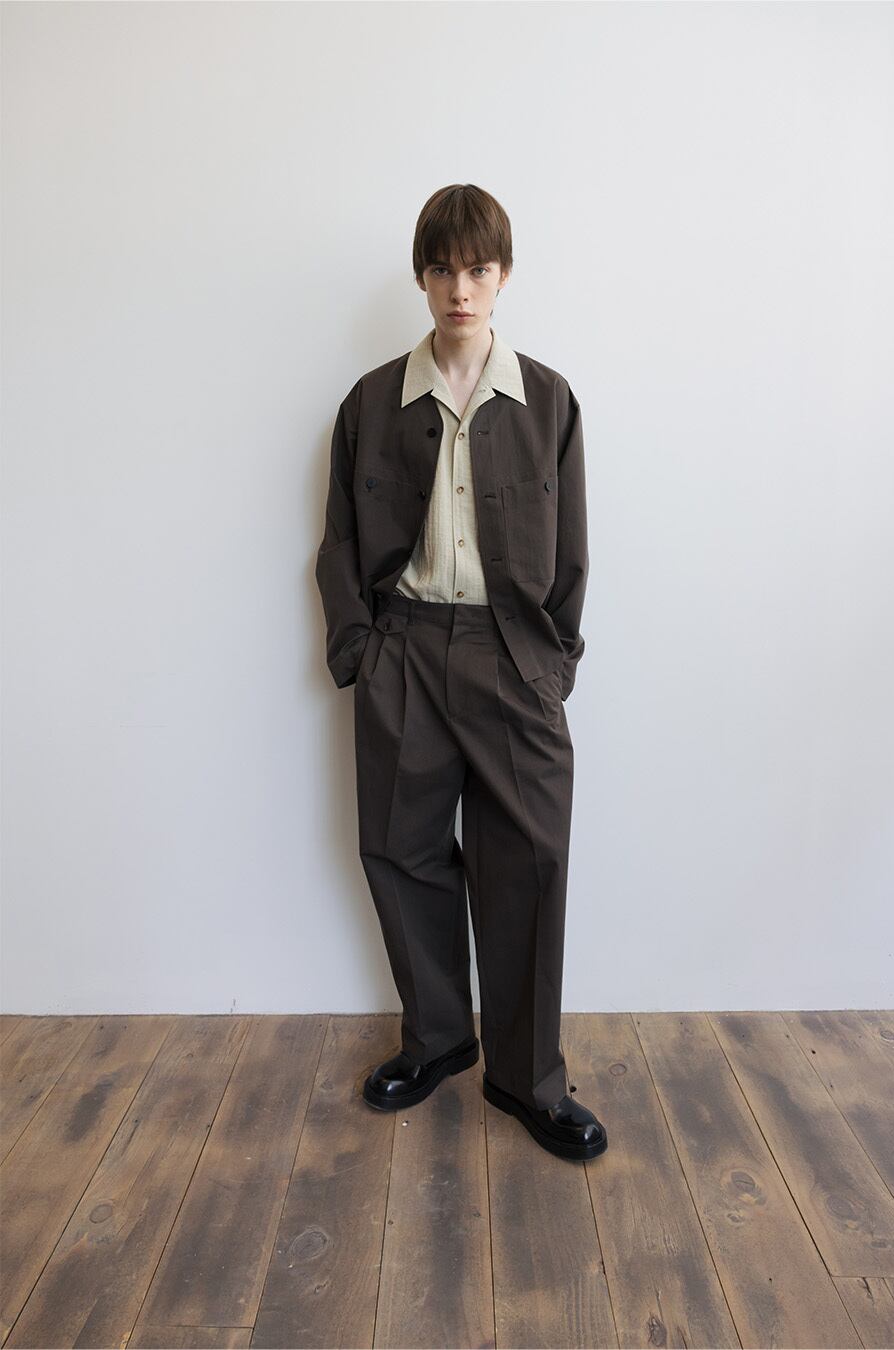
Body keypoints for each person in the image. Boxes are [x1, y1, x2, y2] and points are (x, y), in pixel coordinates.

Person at [315, 183, 607, 1161]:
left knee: (529, 860)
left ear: (503, 274)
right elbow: (339, 543)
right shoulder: (371, 403)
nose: (460, 289)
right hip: (403, 649)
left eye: (478, 269)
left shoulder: (548, 401)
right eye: (442, 269)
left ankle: (528, 1079)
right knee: (400, 851)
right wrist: (361, 652)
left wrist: (552, 665)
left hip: (511, 655)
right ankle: (438, 1038)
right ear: (422, 276)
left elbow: (572, 552)